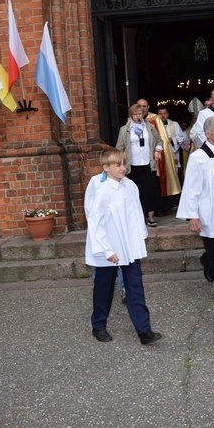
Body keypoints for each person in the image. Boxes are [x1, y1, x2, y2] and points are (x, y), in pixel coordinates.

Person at [85, 148, 162, 345]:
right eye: (117, 165)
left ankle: (144, 330)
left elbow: (136, 214)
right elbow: (95, 222)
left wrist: (139, 240)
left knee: (135, 285)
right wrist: (107, 250)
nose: (122, 167)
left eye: (123, 163)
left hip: (128, 245)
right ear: (106, 168)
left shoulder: (130, 186)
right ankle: (99, 325)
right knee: (104, 287)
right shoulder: (101, 190)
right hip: (108, 247)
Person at [176, 116, 214, 297]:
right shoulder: (198, 157)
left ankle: (206, 261)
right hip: (208, 211)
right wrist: (193, 216)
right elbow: (191, 187)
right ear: (207, 134)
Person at [116, 103, 163, 227]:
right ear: (131, 116)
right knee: (136, 192)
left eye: (140, 113)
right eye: (136, 114)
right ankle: (138, 217)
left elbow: (159, 141)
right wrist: (120, 164)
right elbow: (119, 148)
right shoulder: (124, 129)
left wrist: (157, 150)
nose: (138, 116)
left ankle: (151, 218)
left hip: (148, 164)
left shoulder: (150, 127)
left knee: (150, 191)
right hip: (133, 165)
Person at [84, 171, 126, 304]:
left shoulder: (124, 180)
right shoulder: (96, 181)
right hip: (103, 228)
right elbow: (89, 205)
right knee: (102, 261)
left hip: (119, 229)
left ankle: (124, 287)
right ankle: (100, 287)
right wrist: (94, 226)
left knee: (122, 260)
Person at [136, 99, 181, 205]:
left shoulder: (155, 119)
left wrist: (160, 152)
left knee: (156, 181)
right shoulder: (131, 119)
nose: (142, 108)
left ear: (148, 107)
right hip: (139, 156)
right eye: (139, 106)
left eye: (144, 106)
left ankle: (160, 206)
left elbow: (163, 139)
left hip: (155, 154)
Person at [157, 106, 187, 183]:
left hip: (172, 152)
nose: (162, 115)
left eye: (164, 113)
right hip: (160, 153)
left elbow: (181, 137)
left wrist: (172, 140)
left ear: (168, 114)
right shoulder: (155, 125)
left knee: (174, 174)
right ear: (157, 115)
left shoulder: (174, 124)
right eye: (160, 114)